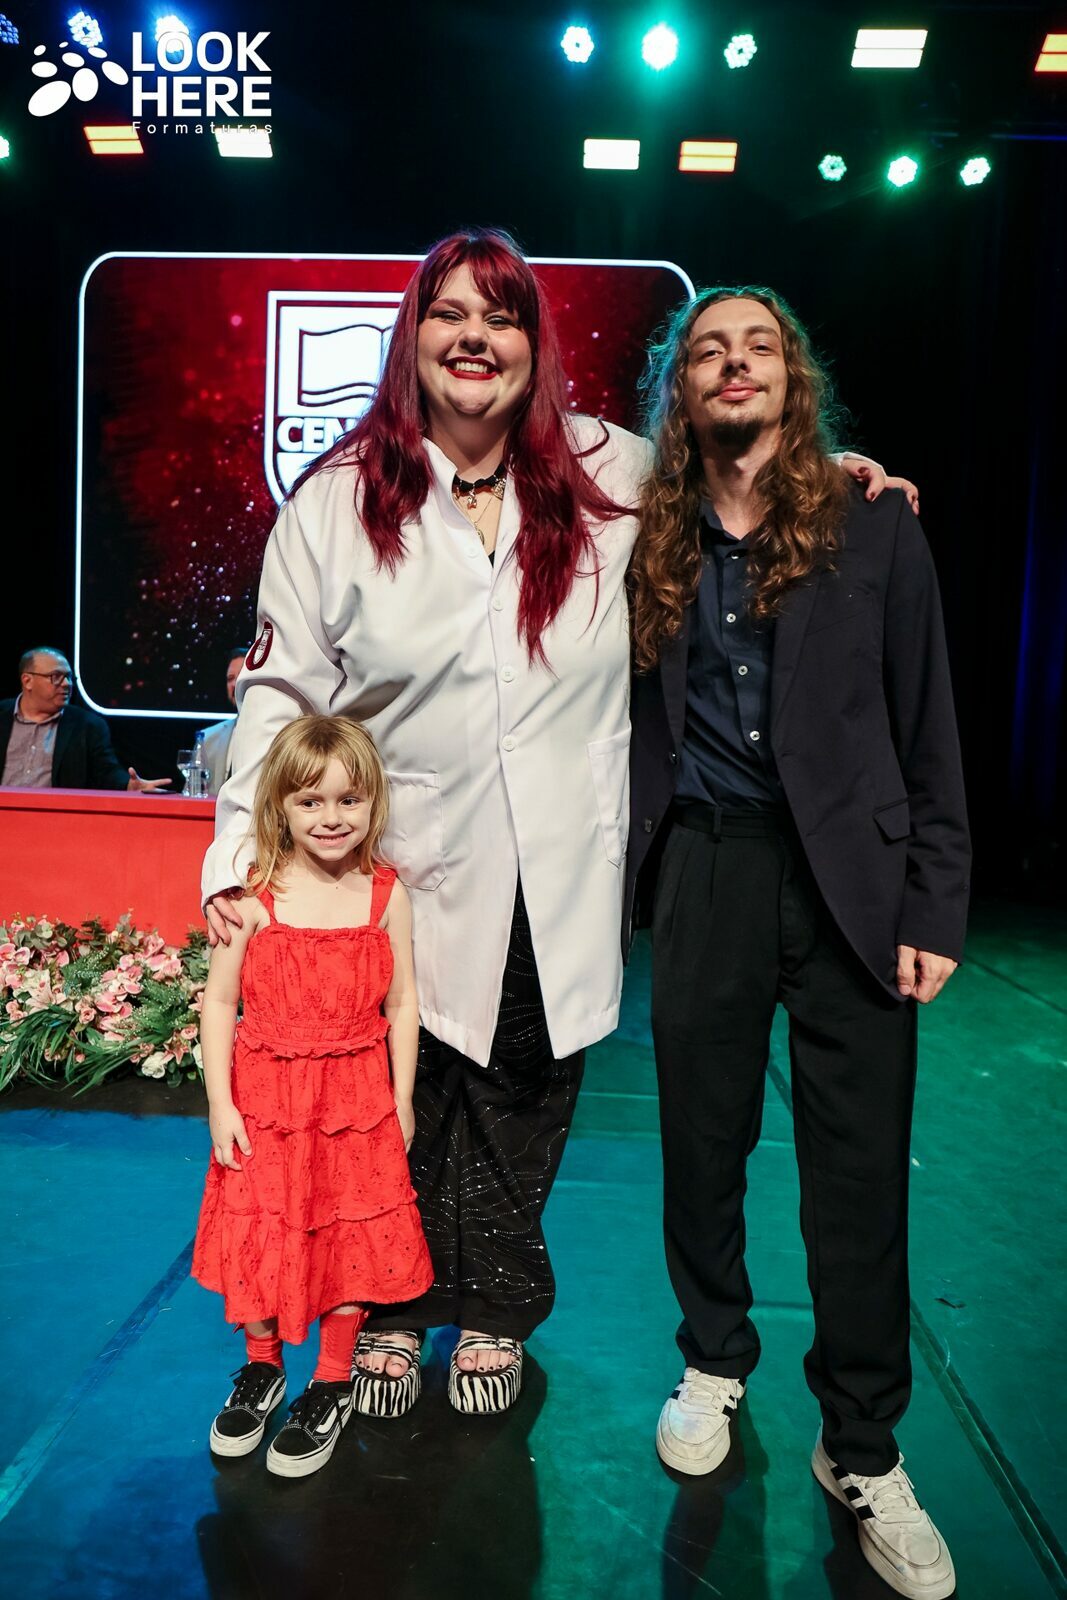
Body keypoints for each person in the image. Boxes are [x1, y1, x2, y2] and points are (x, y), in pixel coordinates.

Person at [202, 229, 909, 1419]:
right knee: (397, 1095)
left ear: (535, 347)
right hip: (402, 863)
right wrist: (236, 860)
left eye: (501, 317)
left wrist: (828, 470)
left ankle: (493, 1310)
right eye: (449, 314)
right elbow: (278, 693)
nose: (474, 338)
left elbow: (733, 479)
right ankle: (393, 1306)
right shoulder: (335, 499)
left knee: (524, 1090)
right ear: (412, 337)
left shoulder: (608, 468)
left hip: (560, 862)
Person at [625, 287, 969, 1599]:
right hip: (706, 864)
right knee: (698, 1144)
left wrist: (932, 902)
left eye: (756, 346)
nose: (732, 364)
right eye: (707, 348)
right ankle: (712, 1357)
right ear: (680, 384)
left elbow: (926, 716)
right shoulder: (645, 528)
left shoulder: (871, 521)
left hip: (852, 884)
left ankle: (861, 1442)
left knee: (856, 1173)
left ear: (790, 377)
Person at [191, 714, 432, 1478]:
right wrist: (221, 1106)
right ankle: (262, 1367)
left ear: (373, 803)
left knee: (349, 1241)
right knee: (260, 1233)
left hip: (354, 1106)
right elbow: (217, 1003)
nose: (331, 817)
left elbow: (402, 1004)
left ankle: (330, 1382)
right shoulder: (252, 899)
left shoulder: (385, 895)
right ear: (281, 807)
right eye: (310, 801)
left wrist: (401, 1098)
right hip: (266, 1106)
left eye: (348, 800)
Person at [0, 647, 170, 791]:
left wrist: (128, 785)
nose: (66, 684)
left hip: (57, 816)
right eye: (56, 676)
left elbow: (107, 773)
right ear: (27, 681)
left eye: (69, 677)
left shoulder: (88, 726)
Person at [196, 647, 248, 797]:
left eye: (241, 675)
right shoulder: (207, 738)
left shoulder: (279, 734)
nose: (234, 684)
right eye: (230, 678)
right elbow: (195, 794)